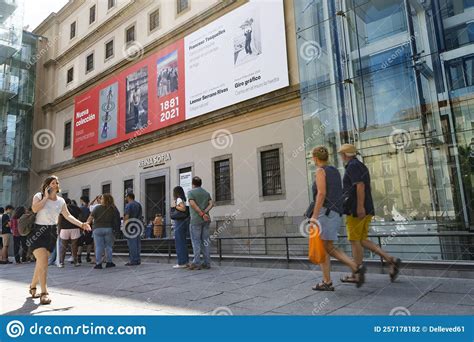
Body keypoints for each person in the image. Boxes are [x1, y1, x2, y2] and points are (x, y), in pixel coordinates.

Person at [339, 144, 401, 283]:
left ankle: (356, 273)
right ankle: (391, 260)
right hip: (365, 208)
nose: (340, 156)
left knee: (354, 241)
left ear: (345, 154)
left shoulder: (353, 166)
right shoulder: (360, 165)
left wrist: (360, 207)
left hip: (356, 210)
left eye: (341, 153)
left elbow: (360, 186)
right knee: (362, 240)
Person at [309, 146, 366, 291]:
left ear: (315, 158)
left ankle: (354, 267)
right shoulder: (334, 170)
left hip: (325, 213)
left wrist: (314, 216)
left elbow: (321, 194)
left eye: (312, 158)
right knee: (326, 247)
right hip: (335, 213)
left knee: (327, 247)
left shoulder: (320, 171)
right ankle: (327, 281)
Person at [29, 175, 91, 305]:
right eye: (52, 183)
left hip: (51, 232)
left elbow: (67, 216)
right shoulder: (38, 196)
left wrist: (82, 224)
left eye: (56, 183)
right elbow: (35, 209)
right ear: (47, 185)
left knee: (41, 262)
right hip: (37, 231)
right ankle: (44, 293)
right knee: (43, 261)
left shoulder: (61, 201)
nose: (55, 184)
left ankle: (33, 286)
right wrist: (46, 197)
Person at [87, 193, 119, 269]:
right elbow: (116, 220)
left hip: (97, 229)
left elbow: (90, 218)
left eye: (101, 198)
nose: (100, 200)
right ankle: (109, 262)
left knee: (98, 246)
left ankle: (98, 264)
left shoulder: (97, 208)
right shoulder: (113, 208)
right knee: (108, 246)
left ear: (104, 200)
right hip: (108, 228)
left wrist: (86, 225)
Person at [187, 177, 213, 270]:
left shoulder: (191, 192)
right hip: (206, 220)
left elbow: (193, 204)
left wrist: (201, 214)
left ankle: (196, 262)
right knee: (205, 241)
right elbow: (211, 204)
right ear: (200, 183)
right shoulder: (206, 193)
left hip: (196, 220)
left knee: (196, 242)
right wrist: (205, 212)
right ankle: (207, 263)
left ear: (193, 184)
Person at [58, 198, 82, 267]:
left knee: (63, 246)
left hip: (64, 229)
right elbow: (80, 218)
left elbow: (59, 221)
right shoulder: (76, 208)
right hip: (75, 228)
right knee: (74, 246)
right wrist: (80, 227)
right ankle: (75, 262)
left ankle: (61, 262)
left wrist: (59, 230)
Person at [171, 186, 190, 269]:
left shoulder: (178, 199)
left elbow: (183, 208)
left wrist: (175, 207)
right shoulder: (183, 199)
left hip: (179, 222)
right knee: (183, 242)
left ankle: (181, 262)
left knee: (179, 242)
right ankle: (185, 261)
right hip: (184, 221)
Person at [124, 193, 143, 266]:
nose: (125, 198)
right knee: (137, 243)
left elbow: (127, 216)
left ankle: (133, 260)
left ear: (128, 197)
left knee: (132, 244)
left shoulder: (128, 205)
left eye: (126, 197)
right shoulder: (138, 204)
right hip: (138, 225)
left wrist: (124, 226)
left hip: (130, 226)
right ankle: (137, 259)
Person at [77, 196, 93, 264]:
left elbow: (77, 218)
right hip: (89, 226)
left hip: (81, 226)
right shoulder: (90, 209)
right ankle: (88, 256)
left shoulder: (80, 208)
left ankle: (79, 257)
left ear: (82, 201)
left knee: (80, 243)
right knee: (89, 242)